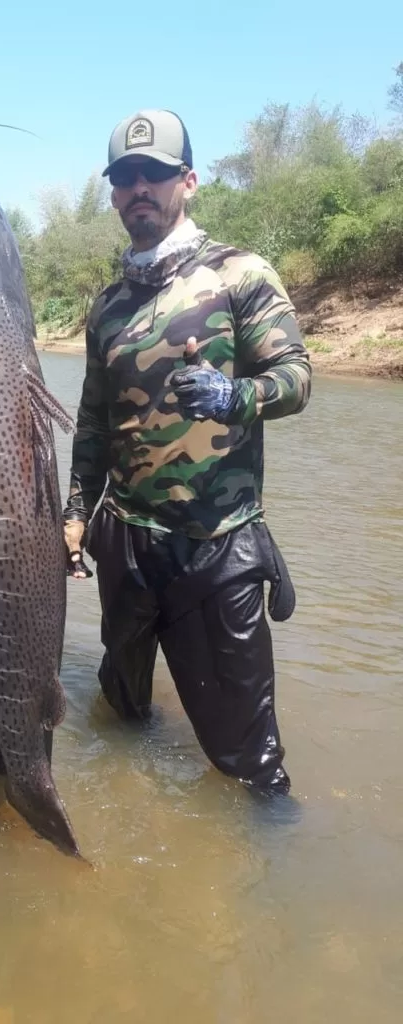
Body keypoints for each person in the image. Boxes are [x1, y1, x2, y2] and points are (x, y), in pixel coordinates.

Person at [63, 108, 312, 796]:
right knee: (121, 716)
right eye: (125, 177)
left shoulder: (240, 274)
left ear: (189, 181)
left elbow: (297, 378)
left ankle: (271, 871)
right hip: (128, 545)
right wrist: (75, 514)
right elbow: (92, 419)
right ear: (113, 193)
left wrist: (237, 396)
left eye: (156, 174)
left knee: (250, 765)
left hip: (216, 545)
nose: (139, 187)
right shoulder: (108, 304)